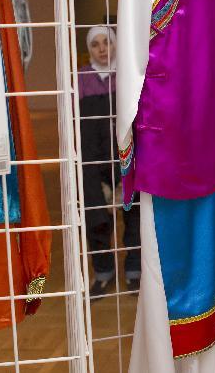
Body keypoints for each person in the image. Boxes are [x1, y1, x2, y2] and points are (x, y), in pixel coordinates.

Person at [78, 25, 141, 297]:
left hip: (127, 158)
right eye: (96, 44)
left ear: (116, 44)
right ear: (89, 49)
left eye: (107, 42)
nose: (102, 49)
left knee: (135, 218)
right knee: (96, 220)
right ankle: (103, 273)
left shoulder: (128, 75)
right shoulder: (80, 79)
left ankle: (135, 272)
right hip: (93, 163)